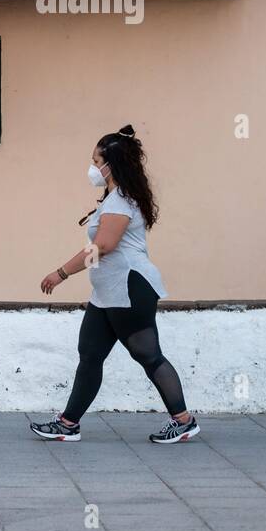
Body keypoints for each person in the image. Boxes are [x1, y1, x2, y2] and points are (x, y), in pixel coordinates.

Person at [31, 125, 199, 444]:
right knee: (90, 354)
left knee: (149, 356)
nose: (92, 167)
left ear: (112, 164)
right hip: (107, 294)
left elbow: (103, 247)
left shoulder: (121, 201)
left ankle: (184, 421)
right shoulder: (113, 198)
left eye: (97, 161)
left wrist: (61, 273)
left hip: (130, 289)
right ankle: (68, 424)